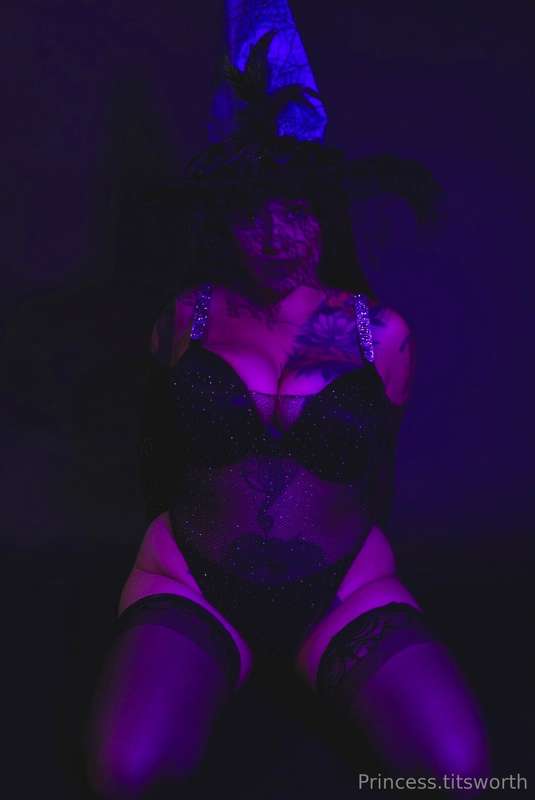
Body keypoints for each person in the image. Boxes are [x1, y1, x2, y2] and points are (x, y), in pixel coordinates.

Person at [84, 5, 492, 798]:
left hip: (342, 588)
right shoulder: (185, 319)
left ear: (323, 216)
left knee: (460, 775)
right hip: (192, 578)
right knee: (125, 775)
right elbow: (155, 448)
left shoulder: (381, 335)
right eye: (251, 215)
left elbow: (378, 471)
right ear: (223, 225)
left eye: (296, 211)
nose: (277, 236)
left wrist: (347, 559)